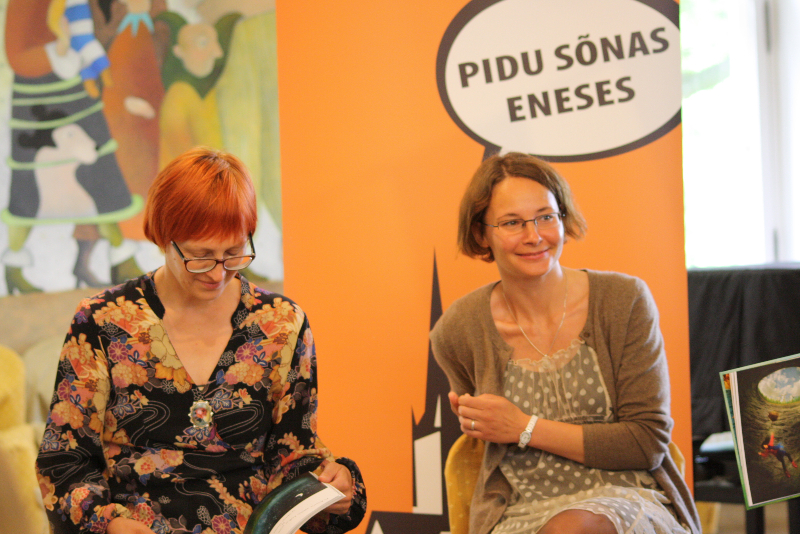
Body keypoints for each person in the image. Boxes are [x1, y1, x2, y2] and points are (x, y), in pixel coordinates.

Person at [35, 147, 366, 534]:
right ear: (164, 237)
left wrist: (335, 484)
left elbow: (293, 454)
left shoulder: (280, 324)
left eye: (234, 252)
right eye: (201, 256)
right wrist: (109, 525)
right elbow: (65, 460)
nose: (218, 273)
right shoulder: (103, 322)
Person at [430, 152, 700, 534]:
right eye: (512, 223)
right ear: (480, 233)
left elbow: (646, 443)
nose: (534, 236)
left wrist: (523, 427)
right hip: (519, 512)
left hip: (630, 500)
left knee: (571, 529)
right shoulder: (458, 330)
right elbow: (484, 443)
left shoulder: (624, 300)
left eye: (546, 216)